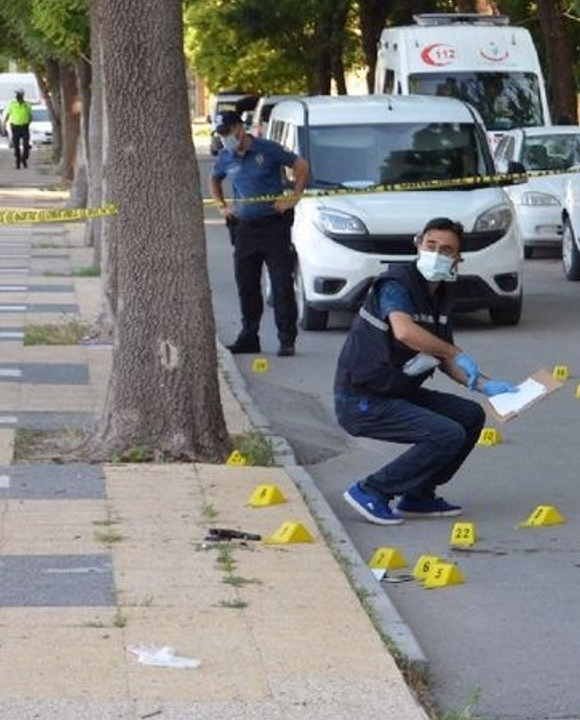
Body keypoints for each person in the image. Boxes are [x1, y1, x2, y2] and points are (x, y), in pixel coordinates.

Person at [333, 217, 516, 525]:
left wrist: (485, 386)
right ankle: (371, 490)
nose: (437, 254)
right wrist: (454, 352)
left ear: (458, 259)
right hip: (362, 398)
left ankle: (418, 494)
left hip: (397, 391)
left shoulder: (442, 294)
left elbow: (442, 356)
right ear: (418, 245)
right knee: (446, 433)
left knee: (470, 416)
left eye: (446, 250)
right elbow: (404, 332)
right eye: (431, 245)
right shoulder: (396, 284)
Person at [208, 110, 309, 356]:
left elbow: (301, 166)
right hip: (244, 229)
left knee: (281, 284)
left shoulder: (267, 149)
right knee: (247, 285)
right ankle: (249, 337)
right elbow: (214, 179)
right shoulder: (225, 156)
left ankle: (287, 339)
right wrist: (222, 206)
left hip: (274, 226)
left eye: (227, 132)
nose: (224, 138)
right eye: (220, 134)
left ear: (240, 129)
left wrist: (292, 199)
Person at [4, 90, 32, 169]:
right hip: (15, 126)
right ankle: (18, 161)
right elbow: (8, 114)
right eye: (17, 96)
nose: (18, 98)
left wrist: (27, 123)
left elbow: (30, 116)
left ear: (22, 97)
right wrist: (5, 122)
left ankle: (24, 158)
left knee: (26, 145)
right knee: (16, 145)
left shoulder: (27, 105)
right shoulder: (12, 104)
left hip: (24, 126)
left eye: (20, 96)